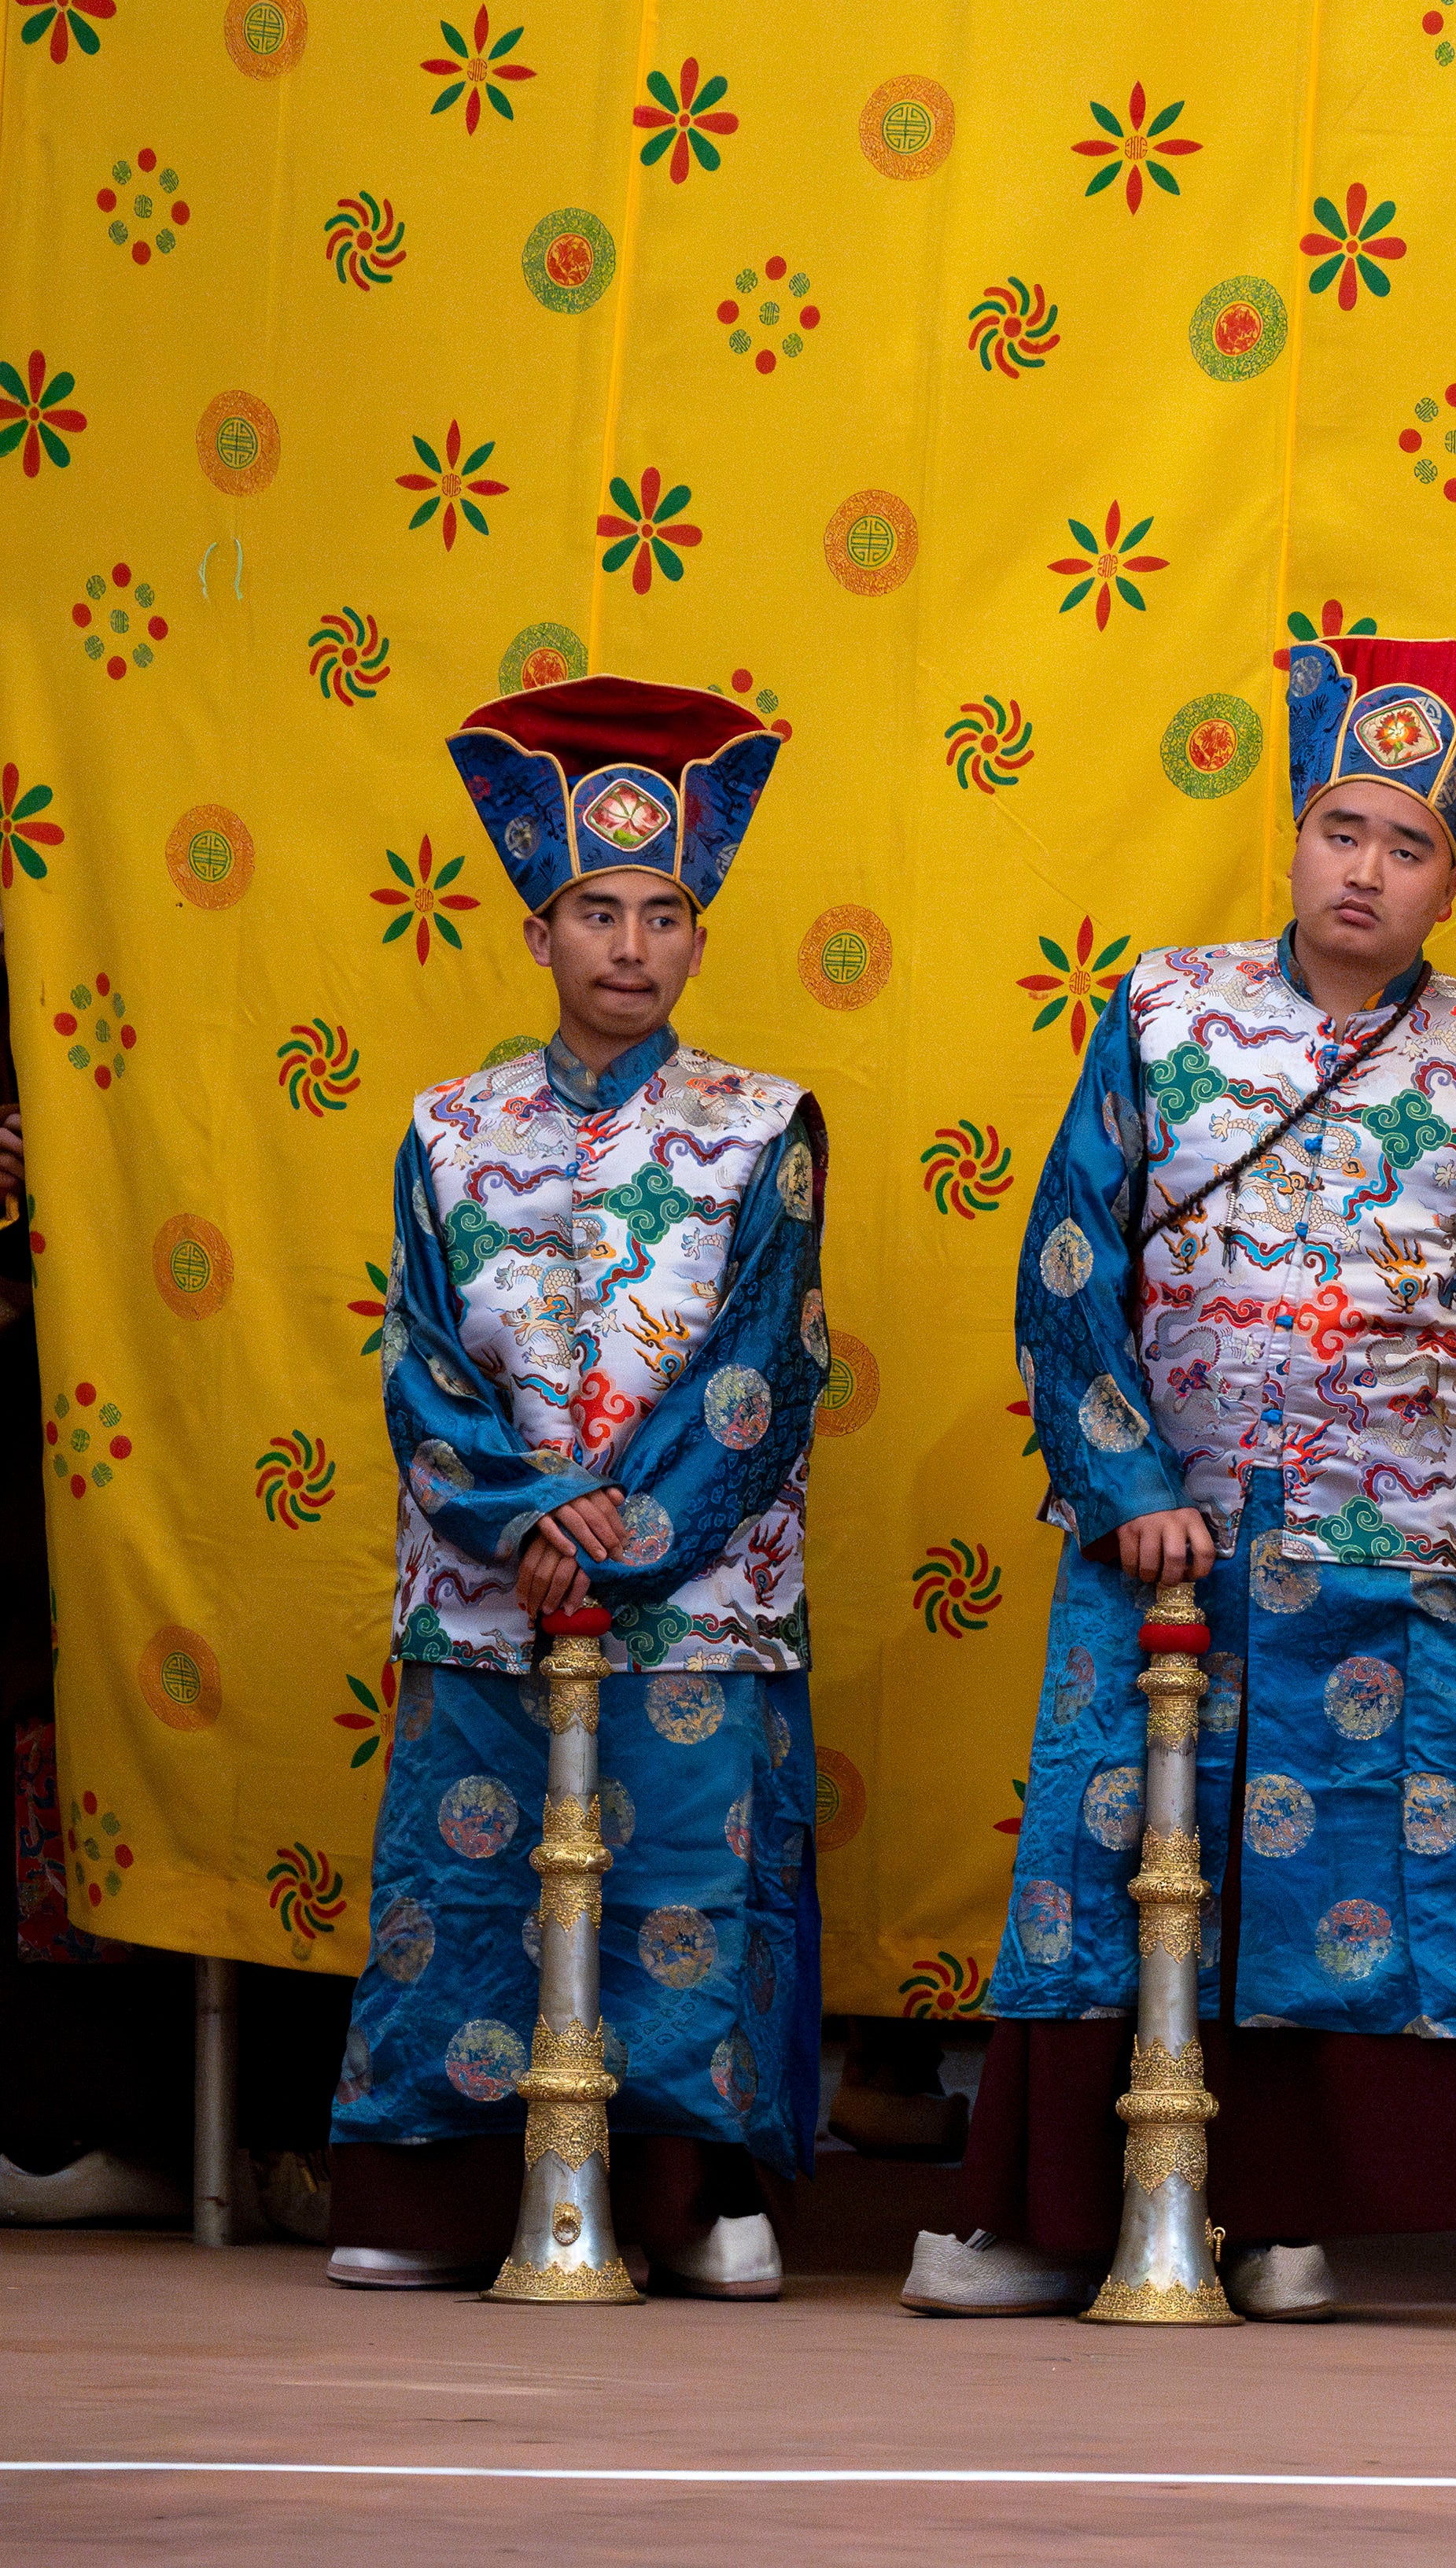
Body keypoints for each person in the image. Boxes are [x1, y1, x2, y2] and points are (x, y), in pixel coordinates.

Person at [907, 636, 1456, 2321]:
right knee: (1121, 1849)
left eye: (1408, 844)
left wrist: (1414, 1442)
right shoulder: (1162, 1009)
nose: (1365, 868)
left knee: (1350, 1865)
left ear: (1454, 878)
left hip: (1392, 1560)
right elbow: (1070, 1257)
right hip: (1167, 1540)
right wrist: (1129, 1473)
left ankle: (1292, 2217)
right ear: (1294, 834)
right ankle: (1069, 2214)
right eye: (1341, 828)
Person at [326, 681, 830, 2297]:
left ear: (698, 934)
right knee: (464, 1877)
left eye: (664, 912)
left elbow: (763, 1366)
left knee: (684, 1875)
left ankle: (691, 2194)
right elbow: (419, 1358)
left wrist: (625, 1532)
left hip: (690, 1594)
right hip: (491, 1585)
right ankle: (442, 2199)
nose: (631, 944)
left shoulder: (766, 1127)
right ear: (539, 928)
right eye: (597, 910)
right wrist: (530, 1511)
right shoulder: (448, 1131)